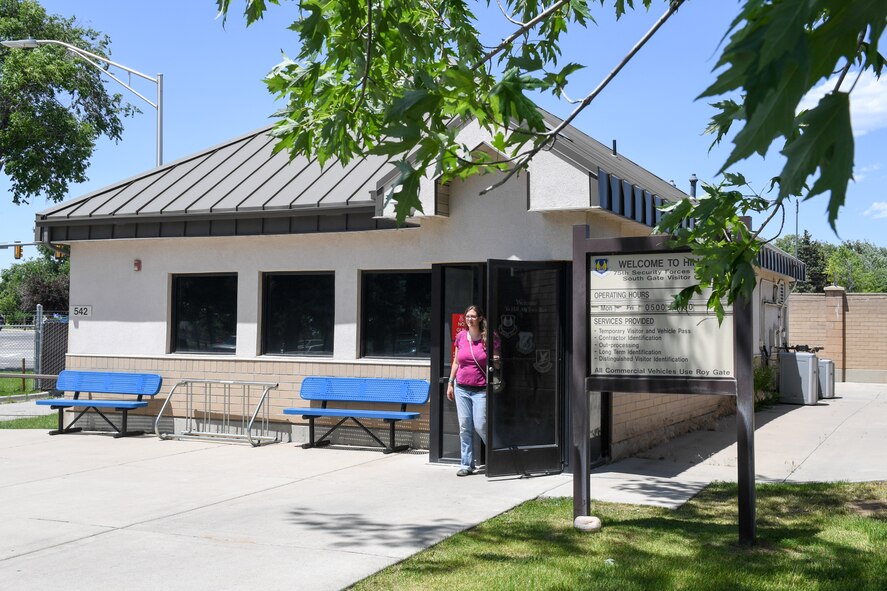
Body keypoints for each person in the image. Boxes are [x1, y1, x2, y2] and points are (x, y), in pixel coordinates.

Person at [446, 305, 500, 477]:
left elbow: (497, 363)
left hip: (481, 389)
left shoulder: (489, 337)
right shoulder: (461, 337)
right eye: (467, 316)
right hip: (462, 388)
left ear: (480, 318)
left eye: (473, 316)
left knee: (480, 425)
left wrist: (496, 360)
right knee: (464, 427)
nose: (469, 319)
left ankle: (498, 456)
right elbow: (456, 362)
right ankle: (466, 464)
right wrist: (450, 382)